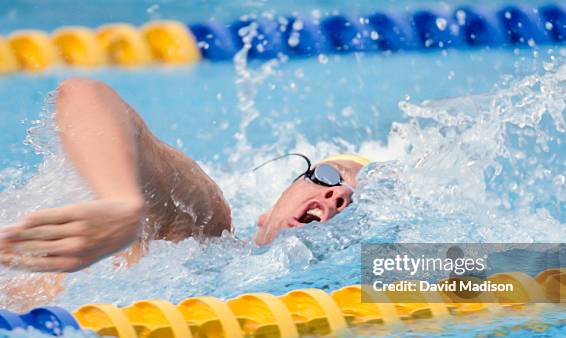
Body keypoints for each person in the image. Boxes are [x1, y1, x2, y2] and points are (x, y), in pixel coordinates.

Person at [0, 78, 371, 273]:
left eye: (354, 203)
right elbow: (83, 94)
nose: (338, 195)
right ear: (273, 205)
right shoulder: (204, 226)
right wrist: (120, 204)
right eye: (327, 175)